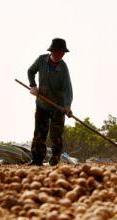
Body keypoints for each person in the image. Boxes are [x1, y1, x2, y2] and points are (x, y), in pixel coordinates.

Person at [27, 38, 73, 166]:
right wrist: (33, 85)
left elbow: (68, 90)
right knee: (39, 133)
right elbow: (30, 71)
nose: (61, 55)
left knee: (56, 135)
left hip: (58, 107)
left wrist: (67, 107)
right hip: (42, 103)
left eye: (63, 52)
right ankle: (37, 160)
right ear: (52, 51)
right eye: (58, 52)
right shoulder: (42, 60)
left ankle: (55, 160)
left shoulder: (63, 68)